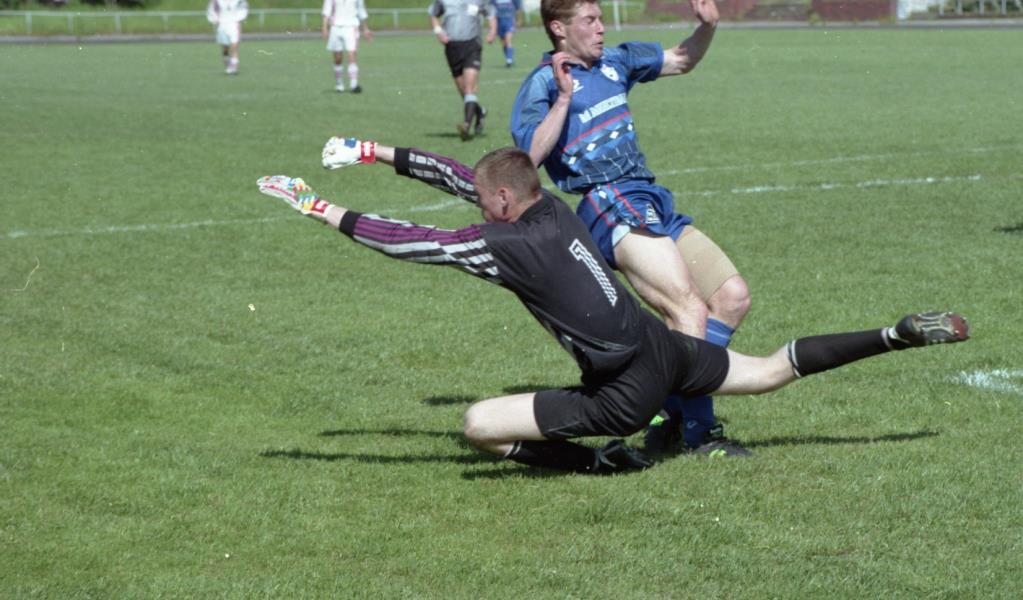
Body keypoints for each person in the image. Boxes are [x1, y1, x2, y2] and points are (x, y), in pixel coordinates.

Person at [258, 142, 969, 475]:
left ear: (501, 201)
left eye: (483, 198)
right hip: (663, 348)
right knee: (767, 371)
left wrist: (317, 206)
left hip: (622, 394)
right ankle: (894, 334)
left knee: (478, 425)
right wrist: (376, 153)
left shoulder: (504, 246)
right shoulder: (549, 209)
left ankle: (596, 464)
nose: (476, 201)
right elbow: (459, 176)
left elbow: (410, 242)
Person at [510, 0, 749, 454]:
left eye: (600, 18)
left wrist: (708, 26)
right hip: (607, 203)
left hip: (649, 198)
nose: (601, 28)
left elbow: (682, 59)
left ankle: (666, 403)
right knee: (687, 310)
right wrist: (564, 98)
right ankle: (701, 435)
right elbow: (528, 160)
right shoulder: (543, 83)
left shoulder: (617, 60)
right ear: (559, 28)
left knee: (732, 298)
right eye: (590, 21)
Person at [428, 0, 498, 141]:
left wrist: (492, 31)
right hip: (452, 47)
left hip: (472, 45)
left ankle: (466, 124)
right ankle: (480, 112)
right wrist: (438, 31)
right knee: (463, 92)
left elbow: (491, 14)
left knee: (469, 89)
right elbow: (433, 14)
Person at [322, 0, 373, 93]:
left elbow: (361, 10)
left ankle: (354, 85)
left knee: (351, 54)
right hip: (335, 27)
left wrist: (366, 28)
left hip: (351, 26)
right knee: (338, 58)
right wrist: (324, 28)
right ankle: (339, 84)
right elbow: (327, 10)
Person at [206, 0, 249, 75]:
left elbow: (243, 8)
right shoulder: (217, 1)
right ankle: (227, 62)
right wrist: (215, 20)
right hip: (222, 24)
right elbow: (212, 9)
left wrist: (240, 18)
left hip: (234, 24)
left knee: (234, 46)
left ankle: (234, 66)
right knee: (225, 47)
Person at [493, 0, 523, 67]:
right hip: (499, 21)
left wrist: (519, 20)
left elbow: (518, 9)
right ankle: (508, 58)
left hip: (509, 20)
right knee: (503, 42)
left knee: (508, 40)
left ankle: (509, 60)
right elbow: (491, 9)